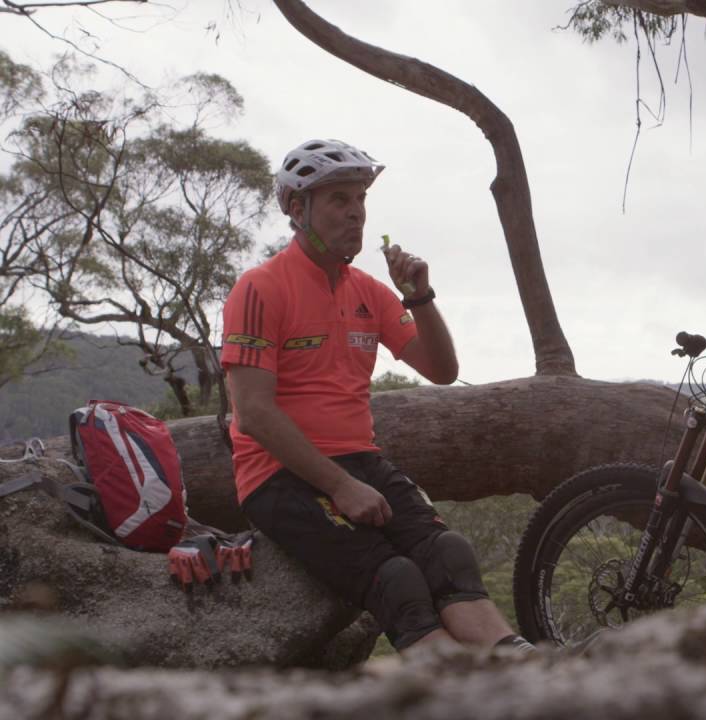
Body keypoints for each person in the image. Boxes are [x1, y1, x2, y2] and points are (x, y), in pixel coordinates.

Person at [220, 139, 533, 653]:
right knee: (399, 579)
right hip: (278, 476)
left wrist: (420, 297)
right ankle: (458, 688)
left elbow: (441, 370)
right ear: (298, 210)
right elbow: (252, 413)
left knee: (448, 554)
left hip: (361, 460)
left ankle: (518, 662)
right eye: (339, 200)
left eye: (360, 199)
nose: (356, 213)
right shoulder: (260, 288)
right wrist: (341, 487)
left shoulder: (367, 289)